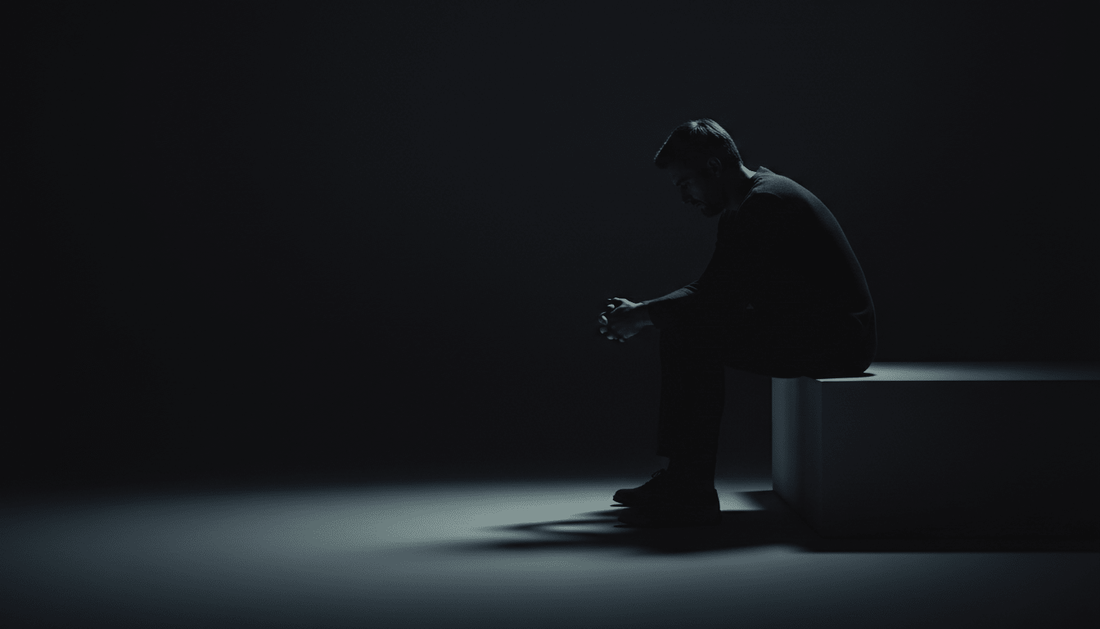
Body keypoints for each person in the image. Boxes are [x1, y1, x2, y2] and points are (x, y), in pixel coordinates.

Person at [598, 118, 876, 526]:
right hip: (809, 328)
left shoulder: (766, 202)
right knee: (685, 329)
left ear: (713, 167)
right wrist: (646, 311)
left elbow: (714, 298)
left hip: (837, 340)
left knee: (689, 334)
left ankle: (689, 486)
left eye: (684, 184)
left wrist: (643, 314)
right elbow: (717, 292)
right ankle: (684, 480)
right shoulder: (745, 204)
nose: (684, 197)